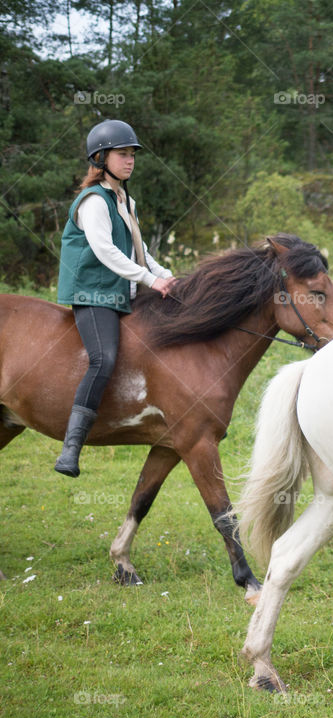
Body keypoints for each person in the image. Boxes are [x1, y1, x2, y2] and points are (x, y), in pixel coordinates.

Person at [54, 119, 176, 477]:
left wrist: (165, 276)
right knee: (103, 359)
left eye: (132, 154)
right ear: (101, 158)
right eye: (122, 154)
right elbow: (106, 251)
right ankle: (71, 448)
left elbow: (137, 250)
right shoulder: (94, 201)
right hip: (93, 293)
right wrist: (149, 280)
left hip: (121, 291)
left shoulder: (124, 199)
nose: (130, 160)